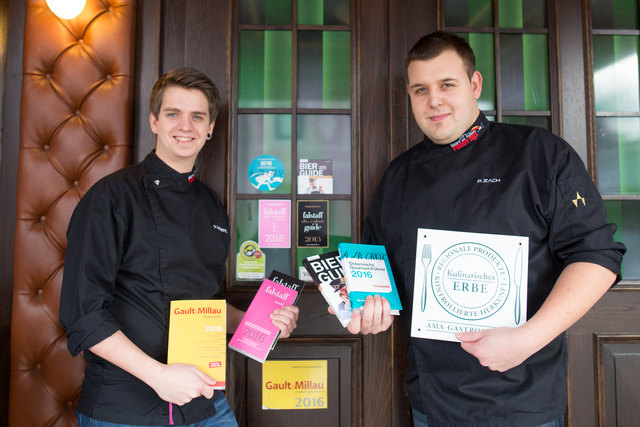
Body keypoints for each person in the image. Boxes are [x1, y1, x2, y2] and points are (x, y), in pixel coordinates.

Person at [346, 31, 626, 426]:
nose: (434, 100)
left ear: (475, 85)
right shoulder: (399, 176)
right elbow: (377, 272)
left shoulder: (540, 154)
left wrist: (525, 340)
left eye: (447, 85)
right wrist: (365, 306)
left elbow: (597, 256)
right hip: (432, 401)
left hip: (522, 397)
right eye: (420, 90)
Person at [59, 67, 299, 426]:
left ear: (210, 128)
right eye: (173, 114)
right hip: (125, 408)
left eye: (197, 116)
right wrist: (158, 376)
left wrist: (262, 321)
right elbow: (83, 314)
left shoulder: (210, 206)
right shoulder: (110, 198)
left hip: (203, 402)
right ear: (155, 121)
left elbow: (205, 305)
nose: (185, 126)